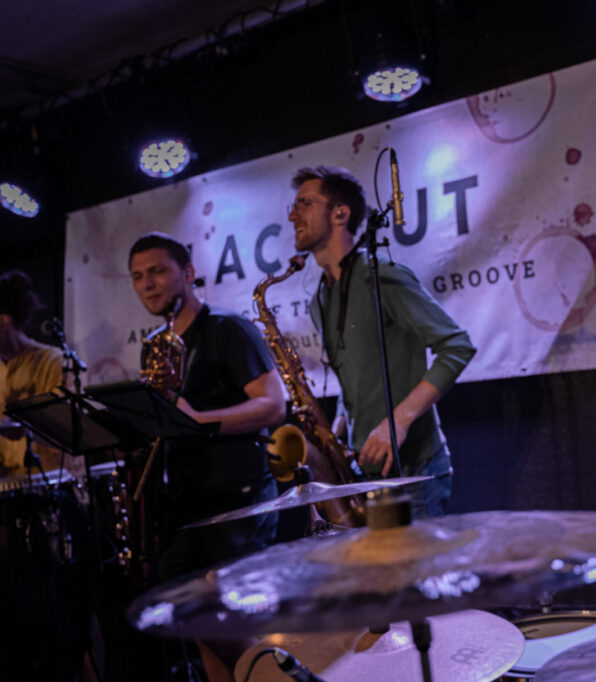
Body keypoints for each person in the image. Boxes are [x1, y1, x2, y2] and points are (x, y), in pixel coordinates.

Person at [127, 232, 286, 681]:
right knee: (201, 628)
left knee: (237, 626)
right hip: (185, 503)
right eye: (137, 277)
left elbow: (273, 405)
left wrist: (199, 421)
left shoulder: (226, 328)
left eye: (157, 271)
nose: (147, 284)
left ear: (188, 273)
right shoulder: (153, 345)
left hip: (237, 499)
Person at [287, 166, 475, 518]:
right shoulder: (320, 300)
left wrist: (398, 421)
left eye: (304, 204)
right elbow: (359, 380)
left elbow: (457, 346)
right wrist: (337, 430)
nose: (292, 215)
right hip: (367, 475)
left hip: (415, 472)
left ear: (340, 213)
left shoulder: (380, 274)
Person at [0, 268, 65, 476]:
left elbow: (68, 432)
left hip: (50, 483)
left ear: (4, 321)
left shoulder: (53, 361)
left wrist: (27, 429)